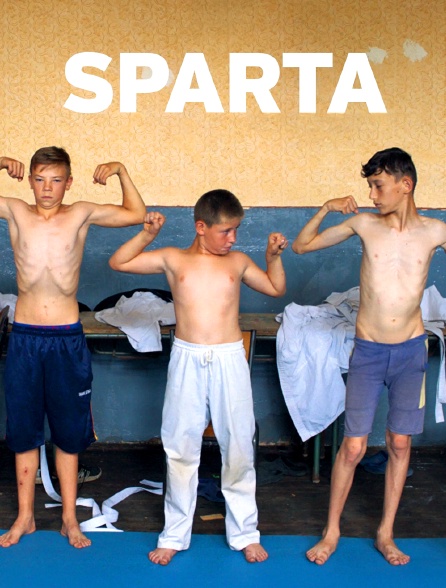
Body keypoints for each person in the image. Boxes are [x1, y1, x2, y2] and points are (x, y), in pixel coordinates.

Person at [109, 189, 288, 565]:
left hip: (228, 358)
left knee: (238, 447)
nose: (233, 238)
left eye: (236, 230)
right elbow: (119, 261)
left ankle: (245, 533)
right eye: (226, 231)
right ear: (201, 227)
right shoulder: (174, 259)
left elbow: (275, 288)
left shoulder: (238, 262)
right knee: (180, 447)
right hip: (187, 358)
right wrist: (147, 234)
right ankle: (175, 534)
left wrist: (273, 258)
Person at [293, 147, 446, 566]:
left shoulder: (435, 231)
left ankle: (385, 534)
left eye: (378, 186)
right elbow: (302, 247)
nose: (372, 195)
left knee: (400, 442)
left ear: (405, 184)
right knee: (353, 447)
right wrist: (326, 208)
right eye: (370, 187)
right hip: (369, 351)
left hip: (411, 351)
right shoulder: (363, 224)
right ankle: (331, 531)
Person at [0, 147, 146, 549]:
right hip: (26, 337)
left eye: (56, 180)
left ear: (68, 182)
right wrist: (0, 162)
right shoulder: (15, 211)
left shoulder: (80, 213)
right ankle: (26, 517)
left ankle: (69, 519)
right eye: (40, 179)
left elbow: (135, 213)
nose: (47, 188)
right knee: (24, 432)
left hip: (66, 337)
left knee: (67, 433)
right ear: (30, 180)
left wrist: (121, 170)